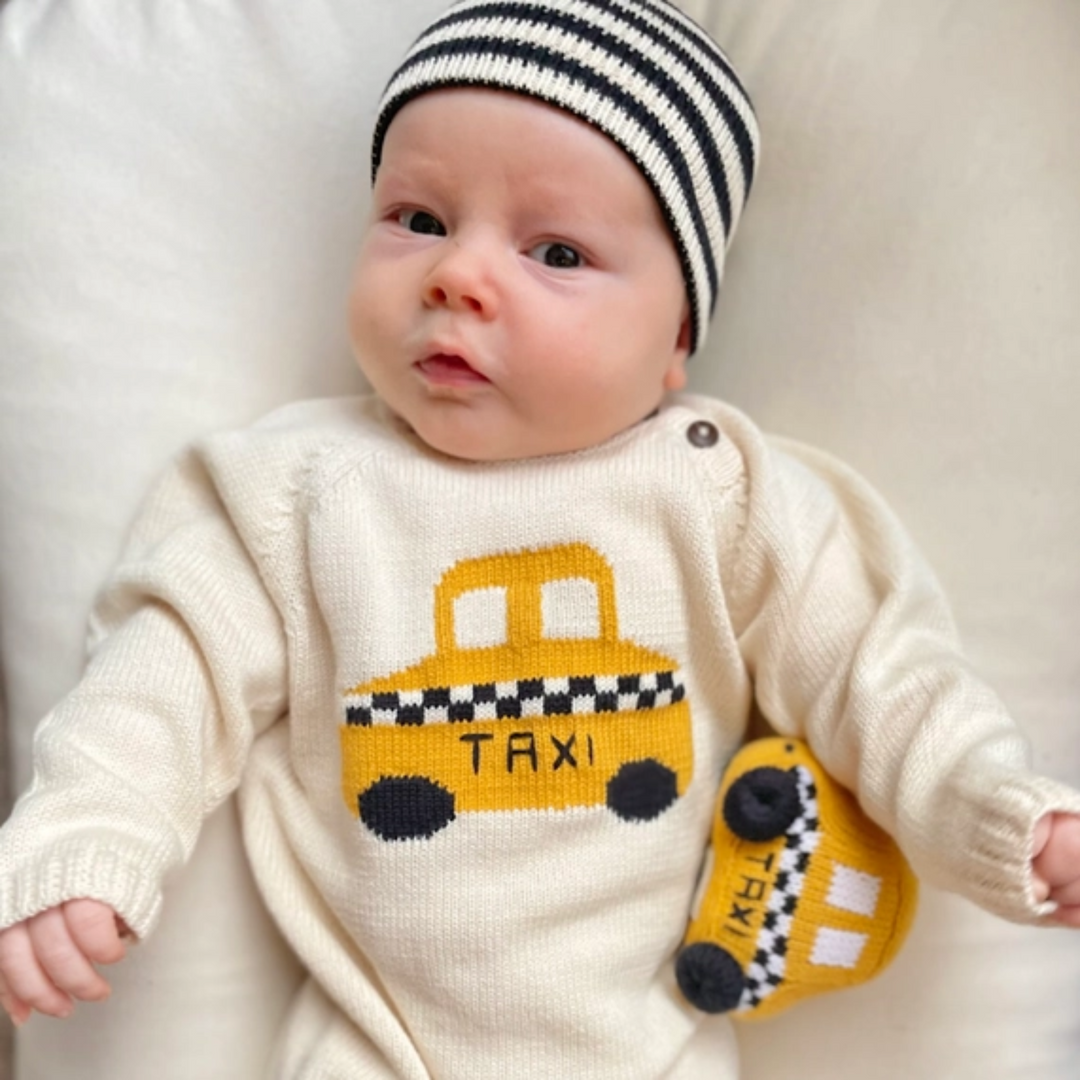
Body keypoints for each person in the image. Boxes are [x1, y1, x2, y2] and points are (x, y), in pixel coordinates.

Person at [1, 0, 1079, 1075]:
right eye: (419, 218)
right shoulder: (300, 491)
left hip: (651, 1046)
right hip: (378, 1045)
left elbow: (879, 679)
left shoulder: (717, 492)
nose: (456, 275)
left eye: (555, 250)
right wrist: (85, 843)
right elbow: (161, 681)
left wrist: (1003, 813)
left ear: (677, 340)